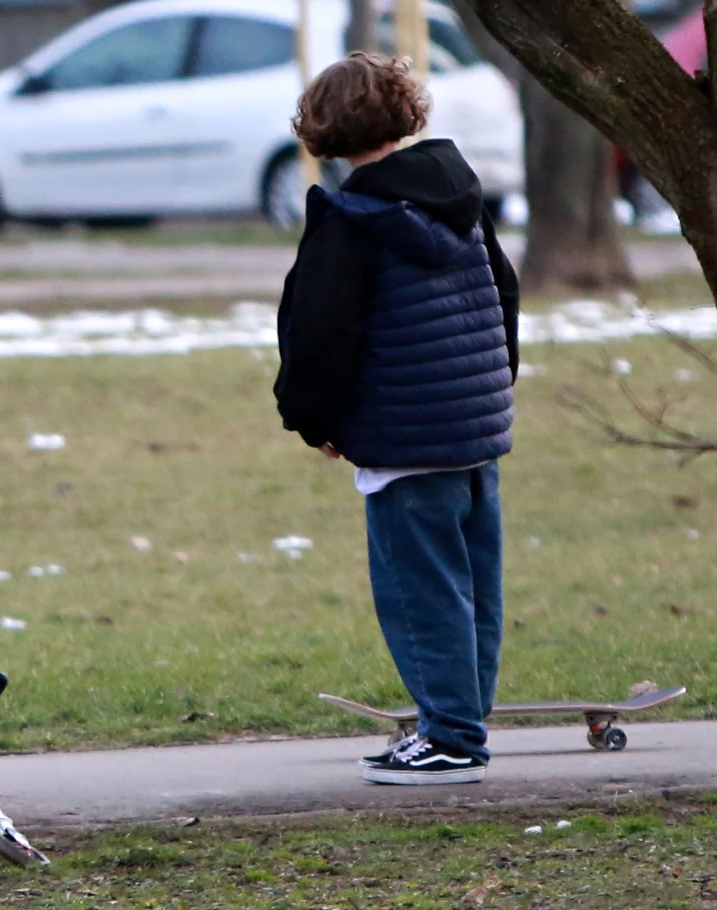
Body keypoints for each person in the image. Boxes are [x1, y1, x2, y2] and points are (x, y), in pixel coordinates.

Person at [273, 53, 519, 785]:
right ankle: (463, 720)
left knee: (420, 592)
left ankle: (451, 737)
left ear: (320, 130)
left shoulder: (350, 220)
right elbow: (504, 294)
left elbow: (319, 334)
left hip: (402, 437)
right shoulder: (456, 198)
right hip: (473, 425)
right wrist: (489, 389)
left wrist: (311, 419)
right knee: (473, 586)